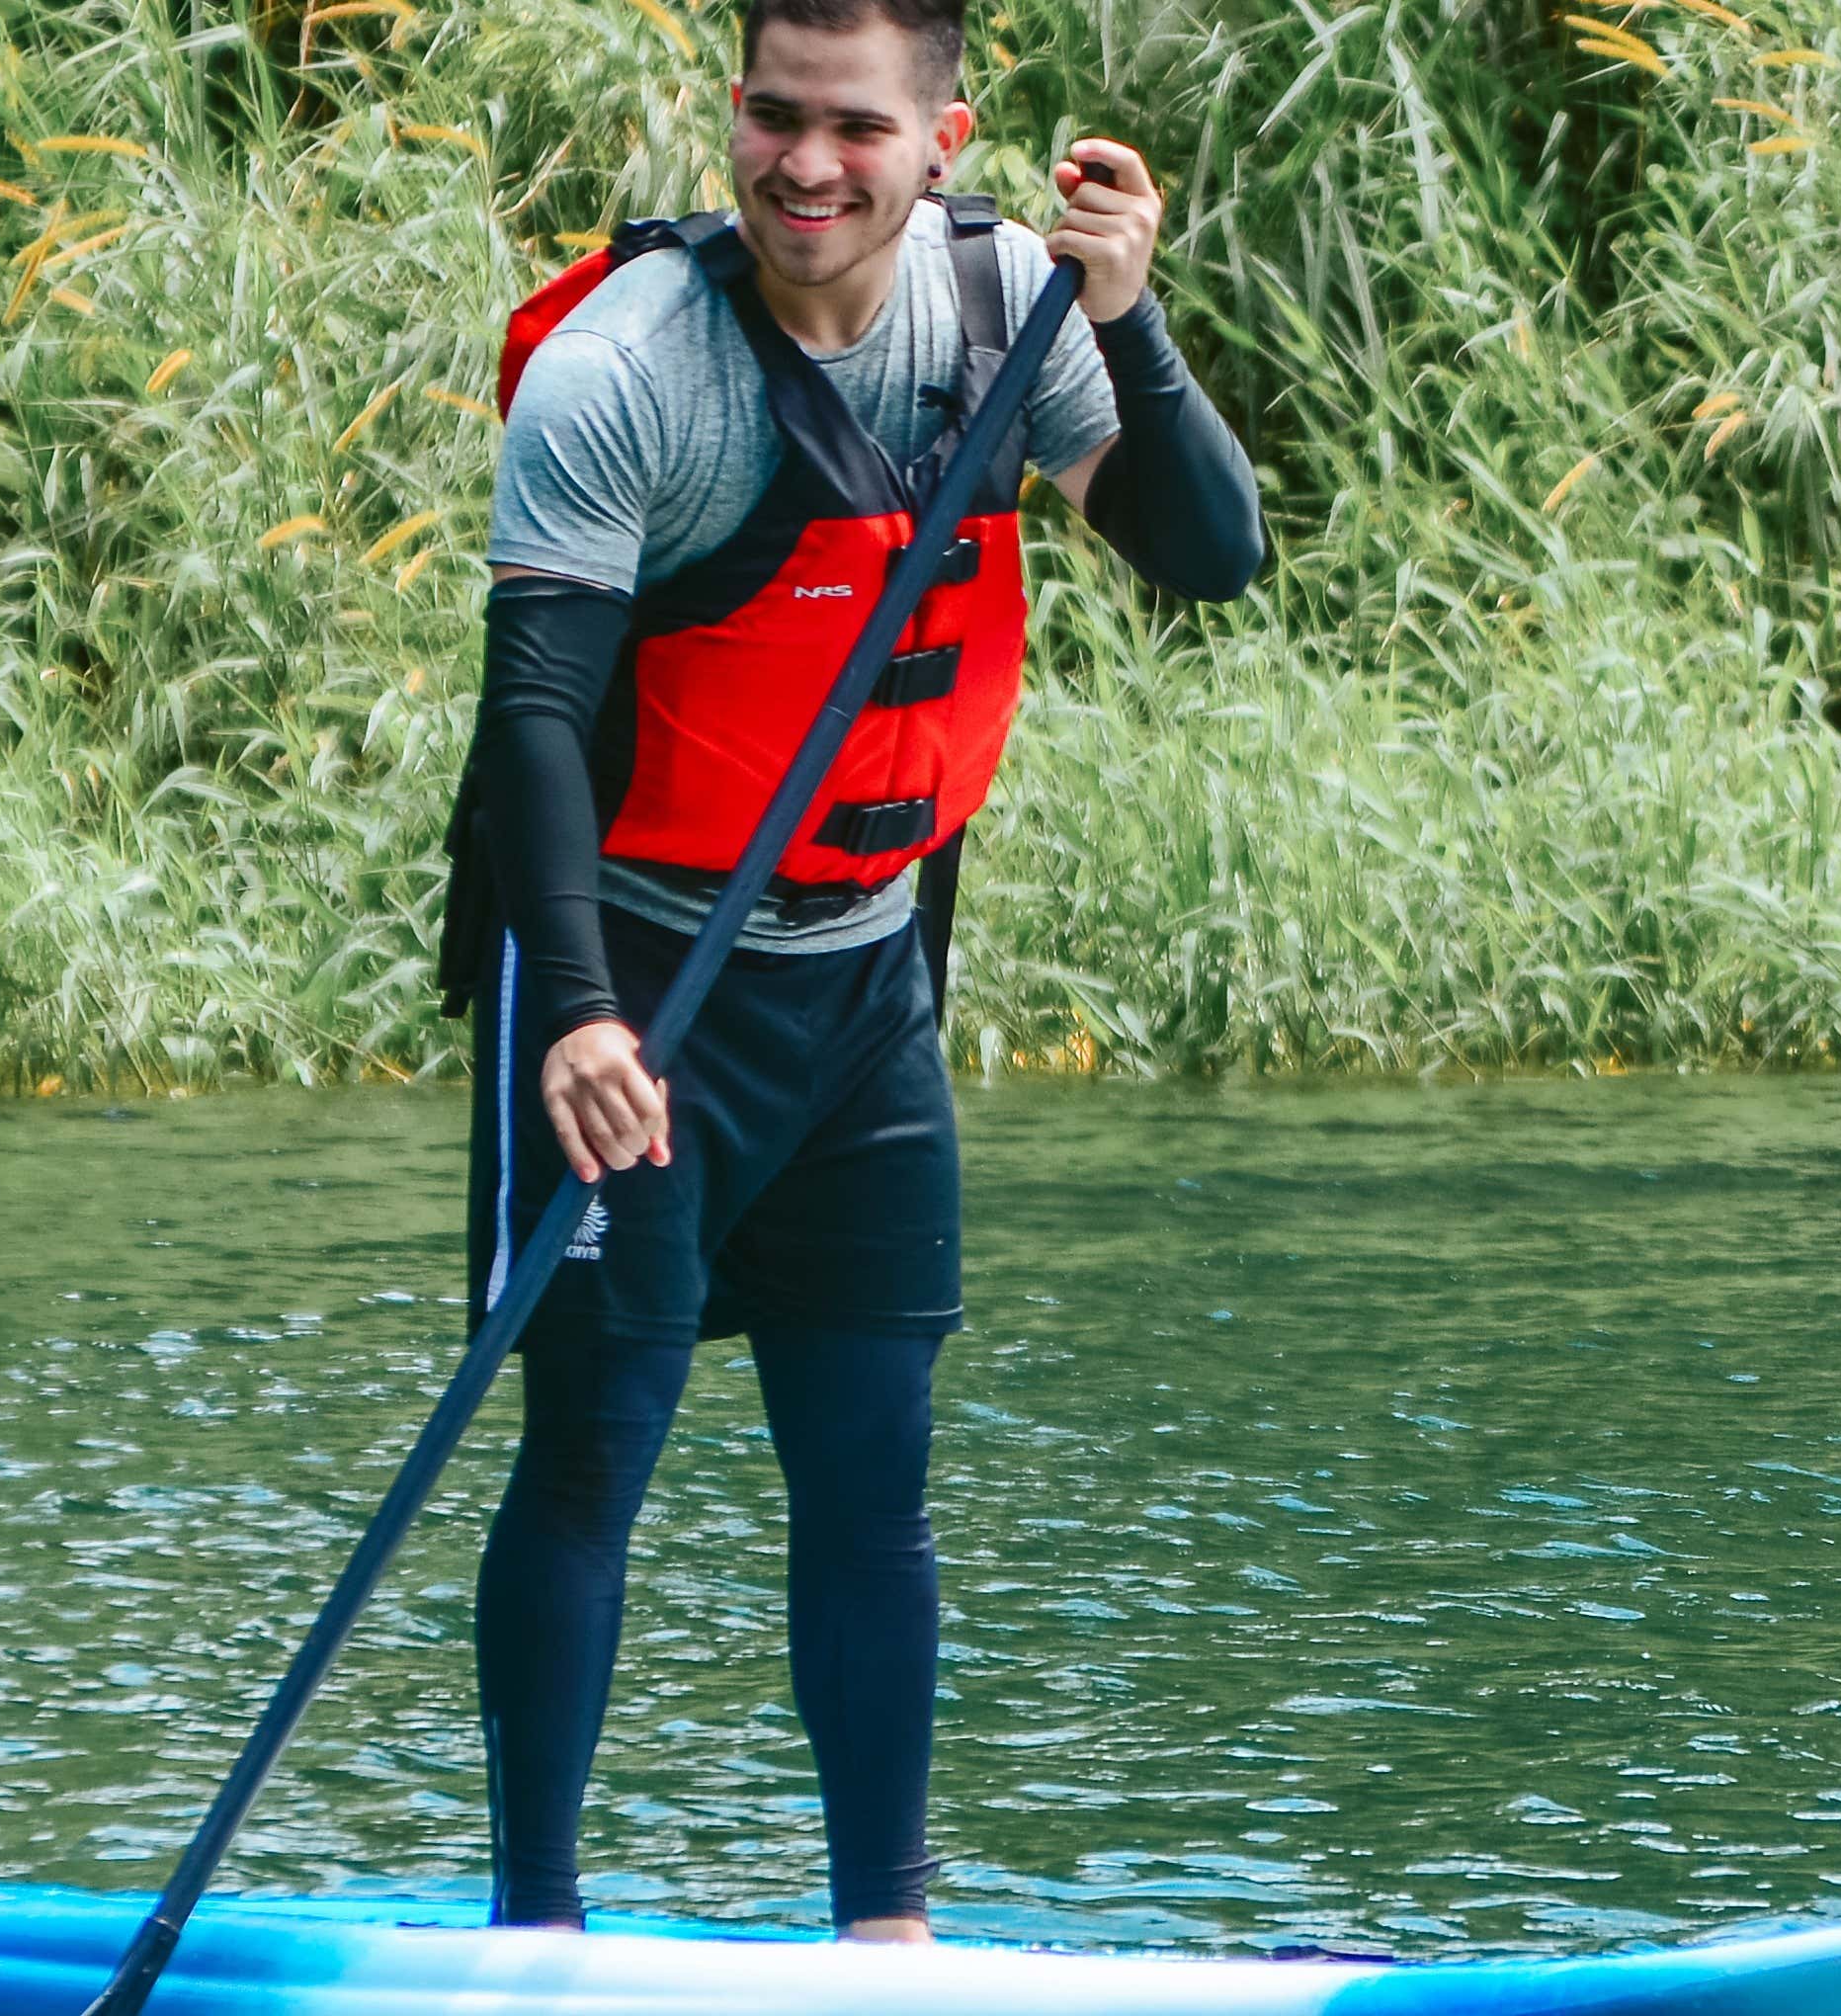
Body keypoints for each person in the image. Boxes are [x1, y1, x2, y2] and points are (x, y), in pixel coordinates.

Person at [433, 0, 1267, 1947]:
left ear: (939, 137)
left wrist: (1130, 318)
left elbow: (1208, 553)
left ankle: (883, 1945)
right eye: (775, 118)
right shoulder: (629, 375)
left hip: (862, 985)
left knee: (869, 1481)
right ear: (734, 115)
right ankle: (531, 1938)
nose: (810, 166)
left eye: (857, 129)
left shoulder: (1004, 317)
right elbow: (535, 719)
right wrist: (570, 1011)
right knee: (589, 1461)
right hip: (637, 977)